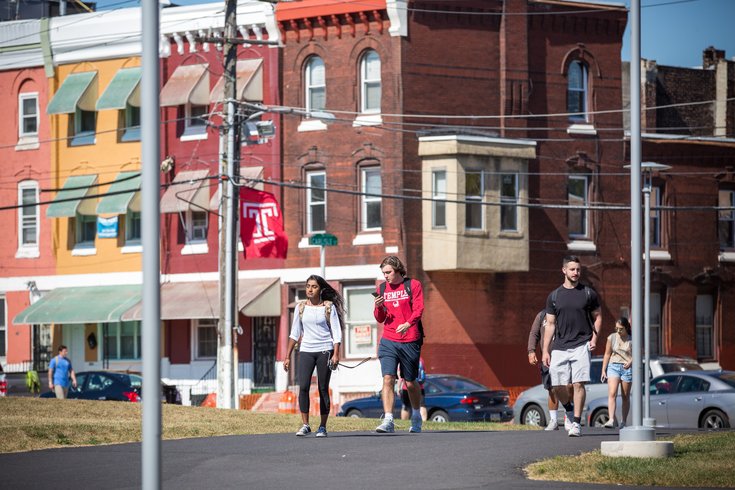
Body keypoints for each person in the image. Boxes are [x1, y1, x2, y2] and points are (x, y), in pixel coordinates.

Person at [542, 255, 602, 437]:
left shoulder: (588, 293)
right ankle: (568, 408)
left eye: (578, 269)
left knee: (578, 384)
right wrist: (545, 350)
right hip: (559, 346)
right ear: (564, 270)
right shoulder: (554, 296)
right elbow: (550, 324)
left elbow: (598, 317)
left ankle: (576, 423)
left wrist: (594, 339)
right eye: (572, 269)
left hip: (581, 345)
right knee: (558, 386)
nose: (576, 273)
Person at [284, 275, 344, 437]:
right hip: (306, 351)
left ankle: (322, 426)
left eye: (314, 287)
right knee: (303, 387)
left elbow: (336, 333)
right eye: (308, 286)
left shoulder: (328, 307)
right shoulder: (300, 307)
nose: (310, 289)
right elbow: (294, 333)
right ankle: (305, 424)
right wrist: (287, 356)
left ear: (320, 289)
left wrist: (336, 354)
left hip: (325, 350)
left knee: (322, 388)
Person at [373, 255, 425, 434]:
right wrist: (379, 306)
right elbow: (380, 318)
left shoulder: (413, 285)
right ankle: (388, 420)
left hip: (410, 339)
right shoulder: (381, 288)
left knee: (410, 382)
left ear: (398, 270)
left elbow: (419, 309)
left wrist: (408, 323)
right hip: (388, 339)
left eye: (388, 272)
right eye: (383, 273)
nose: (385, 276)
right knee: (388, 378)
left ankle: (416, 415)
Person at [527, 309, 573, 431]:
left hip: (564, 356)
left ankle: (569, 417)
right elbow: (534, 333)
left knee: (568, 386)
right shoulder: (542, 315)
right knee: (551, 389)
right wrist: (531, 351)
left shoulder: (565, 313)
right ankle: (553, 421)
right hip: (547, 358)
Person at [600, 317, 633, 429]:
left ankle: (623, 421)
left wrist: (630, 362)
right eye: (616, 328)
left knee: (625, 396)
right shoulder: (612, 337)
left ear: (626, 328)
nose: (618, 331)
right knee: (612, 393)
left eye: (621, 329)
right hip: (613, 366)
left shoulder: (631, 339)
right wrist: (603, 369)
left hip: (626, 368)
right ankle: (611, 419)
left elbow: (638, 354)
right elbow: (607, 354)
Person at [399, 357, 427, 421]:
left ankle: (404, 421)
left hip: (406, 387)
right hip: (419, 387)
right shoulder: (420, 359)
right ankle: (423, 421)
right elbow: (424, 372)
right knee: (422, 405)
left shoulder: (404, 358)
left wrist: (398, 387)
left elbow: (401, 375)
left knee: (405, 406)